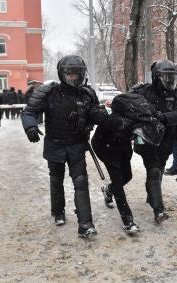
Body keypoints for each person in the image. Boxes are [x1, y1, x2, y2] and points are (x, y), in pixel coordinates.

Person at [21, 55, 110, 238]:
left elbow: (96, 113)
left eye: (77, 75)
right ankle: (58, 211)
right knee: (56, 179)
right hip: (55, 144)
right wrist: (30, 126)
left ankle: (85, 224)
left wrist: (108, 120)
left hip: (77, 144)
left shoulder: (87, 94)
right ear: (63, 74)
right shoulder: (49, 92)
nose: (73, 78)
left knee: (80, 181)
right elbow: (29, 111)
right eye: (70, 75)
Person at [92, 92, 165, 234]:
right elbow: (102, 120)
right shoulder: (118, 122)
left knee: (127, 176)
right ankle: (128, 220)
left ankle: (108, 190)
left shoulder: (146, 120)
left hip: (122, 144)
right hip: (104, 145)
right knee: (118, 181)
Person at [129, 59, 177, 223]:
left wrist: (164, 117)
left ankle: (152, 196)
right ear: (157, 76)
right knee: (154, 170)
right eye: (166, 76)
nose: (169, 80)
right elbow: (129, 105)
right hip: (148, 138)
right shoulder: (144, 91)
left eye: (172, 76)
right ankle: (159, 210)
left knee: (158, 169)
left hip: (167, 139)